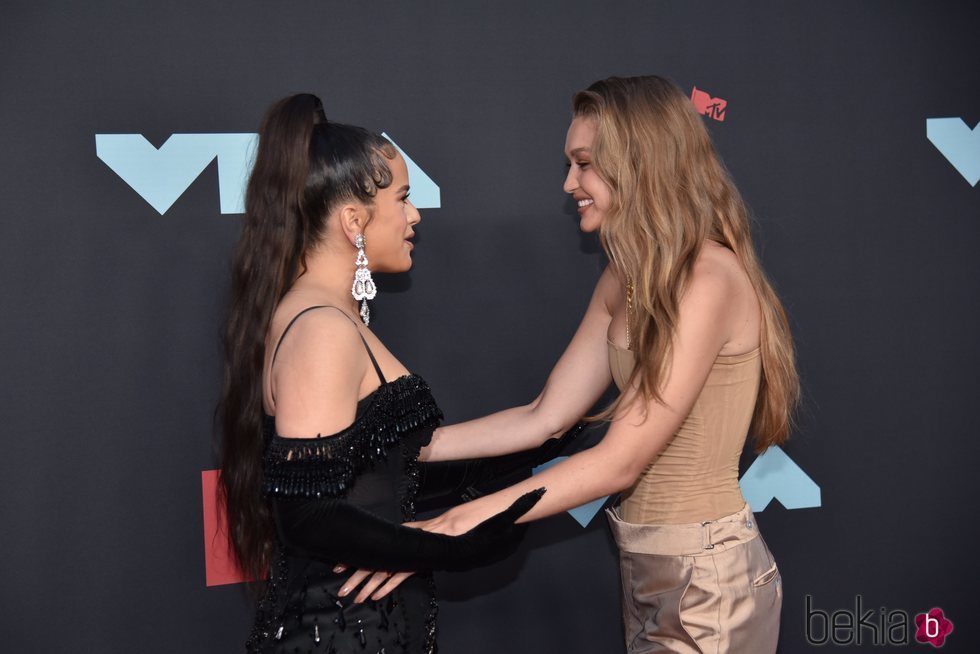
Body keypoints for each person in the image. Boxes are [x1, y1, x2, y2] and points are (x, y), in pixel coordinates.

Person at [346, 75, 799, 653]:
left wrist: (453, 524)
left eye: (583, 164)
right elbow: (544, 417)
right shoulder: (623, 276)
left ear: (641, 163)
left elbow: (618, 462)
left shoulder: (707, 278)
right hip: (647, 567)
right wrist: (404, 445)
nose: (569, 184)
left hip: (710, 577)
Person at [218, 93, 543, 654]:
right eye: (404, 198)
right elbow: (308, 514)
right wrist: (452, 548)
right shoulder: (320, 328)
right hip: (337, 632)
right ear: (353, 221)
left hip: (363, 625)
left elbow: (376, 476)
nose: (415, 215)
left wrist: (537, 447)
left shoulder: (323, 315)